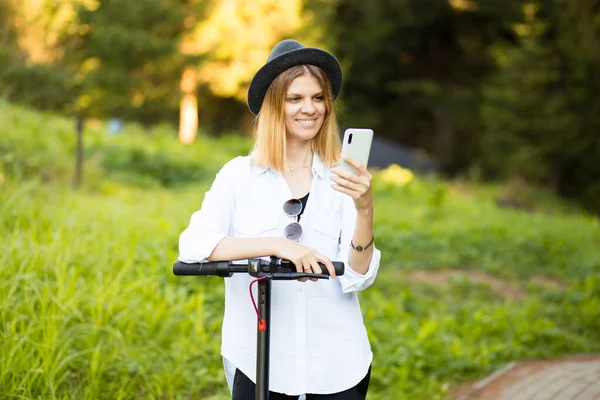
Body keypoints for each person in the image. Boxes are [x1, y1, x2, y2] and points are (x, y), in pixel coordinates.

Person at [178, 39, 381, 399]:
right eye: (295, 99)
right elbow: (193, 245)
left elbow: (358, 274)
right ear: (275, 106)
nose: (310, 109)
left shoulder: (341, 177)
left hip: (335, 363)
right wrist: (278, 246)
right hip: (259, 362)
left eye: (318, 98)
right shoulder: (238, 175)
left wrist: (365, 209)